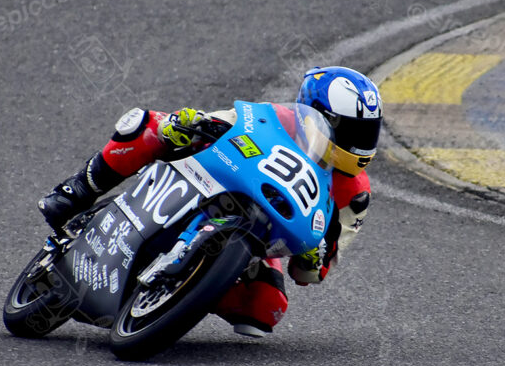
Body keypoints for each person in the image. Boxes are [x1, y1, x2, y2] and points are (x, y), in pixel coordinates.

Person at [38, 66, 383, 337]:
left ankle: (181, 294)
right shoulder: (276, 117)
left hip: (260, 232)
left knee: (265, 308)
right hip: (206, 177)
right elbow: (222, 121)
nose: (359, 143)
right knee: (147, 125)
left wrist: (315, 256)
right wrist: (189, 122)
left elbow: (312, 272)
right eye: (351, 131)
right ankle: (76, 190)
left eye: (367, 132)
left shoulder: (355, 194)